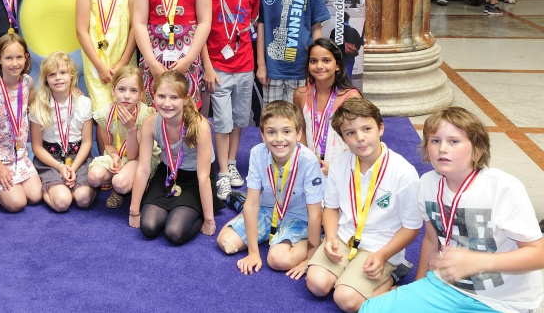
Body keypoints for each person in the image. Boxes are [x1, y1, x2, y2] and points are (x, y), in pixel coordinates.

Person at [360, 107, 544, 313]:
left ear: (477, 149)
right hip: (446, 285)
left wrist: (480, 261)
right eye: (435, 140)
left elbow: (539, 254)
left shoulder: (503, 187)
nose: (442, 149)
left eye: (454, 141)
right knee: (369, 309)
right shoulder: (427, 184)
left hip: (503, 302)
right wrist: (417, 286)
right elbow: (431, 240)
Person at [305, 98, 423, 313]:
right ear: (343, 139)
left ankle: (394, 274)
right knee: (316, 284)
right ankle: (351, 276)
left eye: (366, 129)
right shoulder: (340, 164)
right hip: (344, 237)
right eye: (350, 133)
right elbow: (330, 208)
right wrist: (331, 237)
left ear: (380, 128)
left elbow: (412, 226)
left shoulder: (403, 172)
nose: (360, 138)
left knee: (346, 300)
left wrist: (382, 256)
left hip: (380, 246)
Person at [217, 101, 324, 278]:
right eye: (271, 132)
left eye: (287, 131)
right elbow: (252, 205)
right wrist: (253, 253)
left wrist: (310, 259)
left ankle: (320, 241)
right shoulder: (257, 153)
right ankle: (246, 216)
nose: (279, 139)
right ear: (262, 134)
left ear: (299, 134)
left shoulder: (309, 160)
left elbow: (315, 215)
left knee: (277, 260)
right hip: (267, 210)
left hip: (298, 216)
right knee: (226, 242)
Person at [128, 71, 222, 245]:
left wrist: (209, 220)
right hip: (168, 174)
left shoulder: (200, 126)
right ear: (153, 96)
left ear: (186, 99)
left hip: (196, 178)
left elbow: (203, 177)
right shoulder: (150, 123)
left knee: (174, 233)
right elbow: (143, 168)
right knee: (148, 227)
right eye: (161, 96)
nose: (167, 103)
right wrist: (134, 211)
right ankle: (175, 209)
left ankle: (197, 210)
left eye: (174, 98)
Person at [200, 0, 260, 199]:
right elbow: (201, 34)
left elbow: (251, 19)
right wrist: (208, 68)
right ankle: (223, 172)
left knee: (238, 120)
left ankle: (233, 163)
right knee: (222, 122)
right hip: (219, 69)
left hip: (245, 66)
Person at [0, 33, 42, 212]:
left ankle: (7, 183)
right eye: (9, 58)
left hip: (19, 155)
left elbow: (33, 105)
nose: (15, 63)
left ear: (26, 57)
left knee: (36, 196)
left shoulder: (28, 82)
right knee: (17, 204)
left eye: (19, 57)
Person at [75, 0, 137, 124]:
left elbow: (135, 27)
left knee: (126, 109)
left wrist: (123, 63)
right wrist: (100, 66)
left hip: (124, 59)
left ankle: (127, 153)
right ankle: (106, 153)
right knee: (103, 114)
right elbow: (81, 31)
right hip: (96, 62)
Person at [29, 51, 96, 212]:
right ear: (46, 79)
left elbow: (87, 141)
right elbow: (37, 147)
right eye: (52, 74)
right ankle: (50, 189)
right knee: (62, 203)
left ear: (72, 75)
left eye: (63, 72)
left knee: (83, 199)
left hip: (78, 157)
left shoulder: (84, 103)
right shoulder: (38, 106)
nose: (58, 78)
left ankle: (79, 187)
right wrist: (60, 167)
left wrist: (73, 168)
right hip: (50, 160)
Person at [87, 66, 156, 208]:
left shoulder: (145, 115)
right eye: (121, 89)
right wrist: (114, 157)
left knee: (120, 184)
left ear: (141, 93)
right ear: (113, 90)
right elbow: (107, 145)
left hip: (139, 157)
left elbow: (132, 156)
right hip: (118, 154)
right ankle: (122, 178)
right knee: (94, 177)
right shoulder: (104, 114)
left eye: (133, 91)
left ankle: (137, 183)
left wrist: (131, 129)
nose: (126, 95)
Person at [294, 38, 362, 174]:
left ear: (337, 65)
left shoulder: (351, 97)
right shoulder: (300, 94)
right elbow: (301, 129)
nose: (319, 66)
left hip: (344, 170)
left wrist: (334, 170)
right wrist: (307, 160)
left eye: (326, 60)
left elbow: (360, 137)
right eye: (313, 61)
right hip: (311, 169)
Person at [328, 12, 364, 79]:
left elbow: (330, 45)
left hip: (337, 57)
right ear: (348, 20)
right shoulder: (353, 31)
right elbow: (358, 45)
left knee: (337, 76)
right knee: (348, 75)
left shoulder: (335, 31)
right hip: (349, 57)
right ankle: (348, 89)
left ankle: (337, 89)